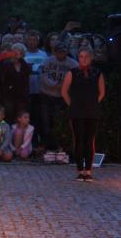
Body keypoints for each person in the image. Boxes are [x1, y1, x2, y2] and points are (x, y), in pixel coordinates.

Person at [61, 48, 105, 182]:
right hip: (77, 111)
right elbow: (64, 91)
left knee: (89, 141)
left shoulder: (97, 73)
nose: (83, 59)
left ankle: (88, 170)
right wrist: (73, 105)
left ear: (91, 58)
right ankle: (80, 170)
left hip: (92, 111)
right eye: (81, 56)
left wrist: (92, 103)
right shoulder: (72, 73)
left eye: (86, 56)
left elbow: (101, 92)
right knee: (79, 140)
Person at [40, 42, 78, 151]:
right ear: (55, 52)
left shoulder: (73, 64)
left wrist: (63, 86)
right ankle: (47, 146)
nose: (61, 54)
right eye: (59, 52)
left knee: (57, 121)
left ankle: (57, 146)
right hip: (46, 94)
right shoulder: (47, 61)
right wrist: (53, 84)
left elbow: (75, 78)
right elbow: (43, 75)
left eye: (63, 52)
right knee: (45, 121)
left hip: (61, 97)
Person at [0, 43, 31, 124]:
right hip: (9, 96)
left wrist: (20, 59)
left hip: (22, 97)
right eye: (14, 51)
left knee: (21, 119)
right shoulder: (6, 64)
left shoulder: (25, 65)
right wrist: (7, 57)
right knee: (9, 118)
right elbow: (0, 70)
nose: (16, 54)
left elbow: (28, 72)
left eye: (19, 52)